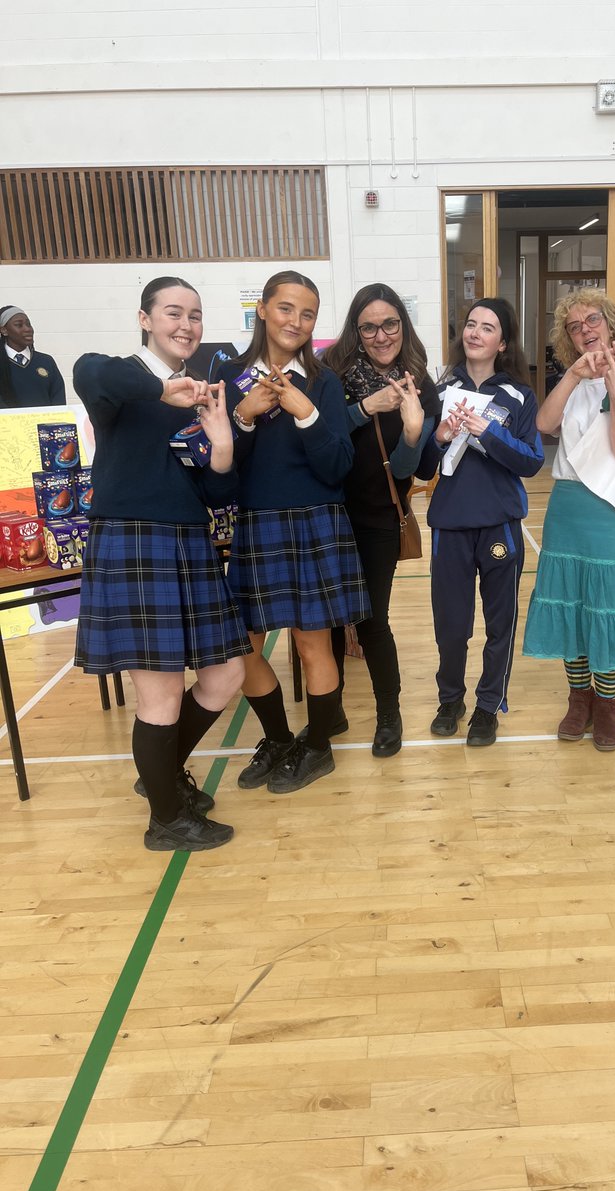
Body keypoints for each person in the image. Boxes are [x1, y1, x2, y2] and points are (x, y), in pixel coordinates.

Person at [73, 276, 249, 852]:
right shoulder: (121, 382)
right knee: (161, 696)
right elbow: (89, 371)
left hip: (188, 544)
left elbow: (218, 495)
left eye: (196, 315)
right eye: (173, 312)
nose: (186, 325)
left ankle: (161, 778)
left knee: (226, 676)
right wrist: (164, 388)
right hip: (134, 544)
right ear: (145, 319)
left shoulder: (199, 397)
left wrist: (222, 443)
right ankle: (166, 819)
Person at [217, 270, 369, 793]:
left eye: (307, 314)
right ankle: (281, 738)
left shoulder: (324, 381)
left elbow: (337, 467)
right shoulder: (231, 374)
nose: (296, 322)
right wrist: (243, 417)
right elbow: (224, 472)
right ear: (262, 309)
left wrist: (306, 415)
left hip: (315, 523)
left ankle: (319, 748)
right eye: (285, 309)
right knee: (243, 648)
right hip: (257, 525)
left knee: (312, 648)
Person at [523, 289, 615, 751]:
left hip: (612, 509)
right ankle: (577, 698)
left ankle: (607, 704)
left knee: (607, 605)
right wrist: (573, 377)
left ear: (612, 323)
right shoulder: (575, 382)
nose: (585, 330)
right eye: (574, 327)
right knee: (572, 605)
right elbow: (543, 425)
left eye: (592, 320)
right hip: (568, 506)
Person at [321, 284, 441, 757]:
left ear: (402, 326)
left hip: (377, 517)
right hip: (327, 513)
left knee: (371, 619)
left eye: (390, 323)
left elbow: (413, 469)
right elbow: (320, 435)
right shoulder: (332, 376)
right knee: (327, 619)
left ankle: (388, 714)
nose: (380, 334)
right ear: (356, 330)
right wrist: (366, 408)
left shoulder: (420, 384)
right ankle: (328, 710)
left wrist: (413, 430)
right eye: (368, 326)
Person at [418, 297, 543, 747]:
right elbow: (423, 466)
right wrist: (441, 435)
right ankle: (450, 699)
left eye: (487, 327)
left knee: (499, 624)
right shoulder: (440, 389)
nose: (475, 333)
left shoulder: (517, 397)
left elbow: (531, 462)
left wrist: (487, 432)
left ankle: (488, 706)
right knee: (451, 626)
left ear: (502, 342)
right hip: (449, 525)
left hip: (499, 526)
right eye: (470, 324)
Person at [0, 305, 66, 407]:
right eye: (19, 325)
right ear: (4, 330)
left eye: (28, 324)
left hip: (45, 422)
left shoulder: (46, 361)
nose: (27, 329)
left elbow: (59, 401)